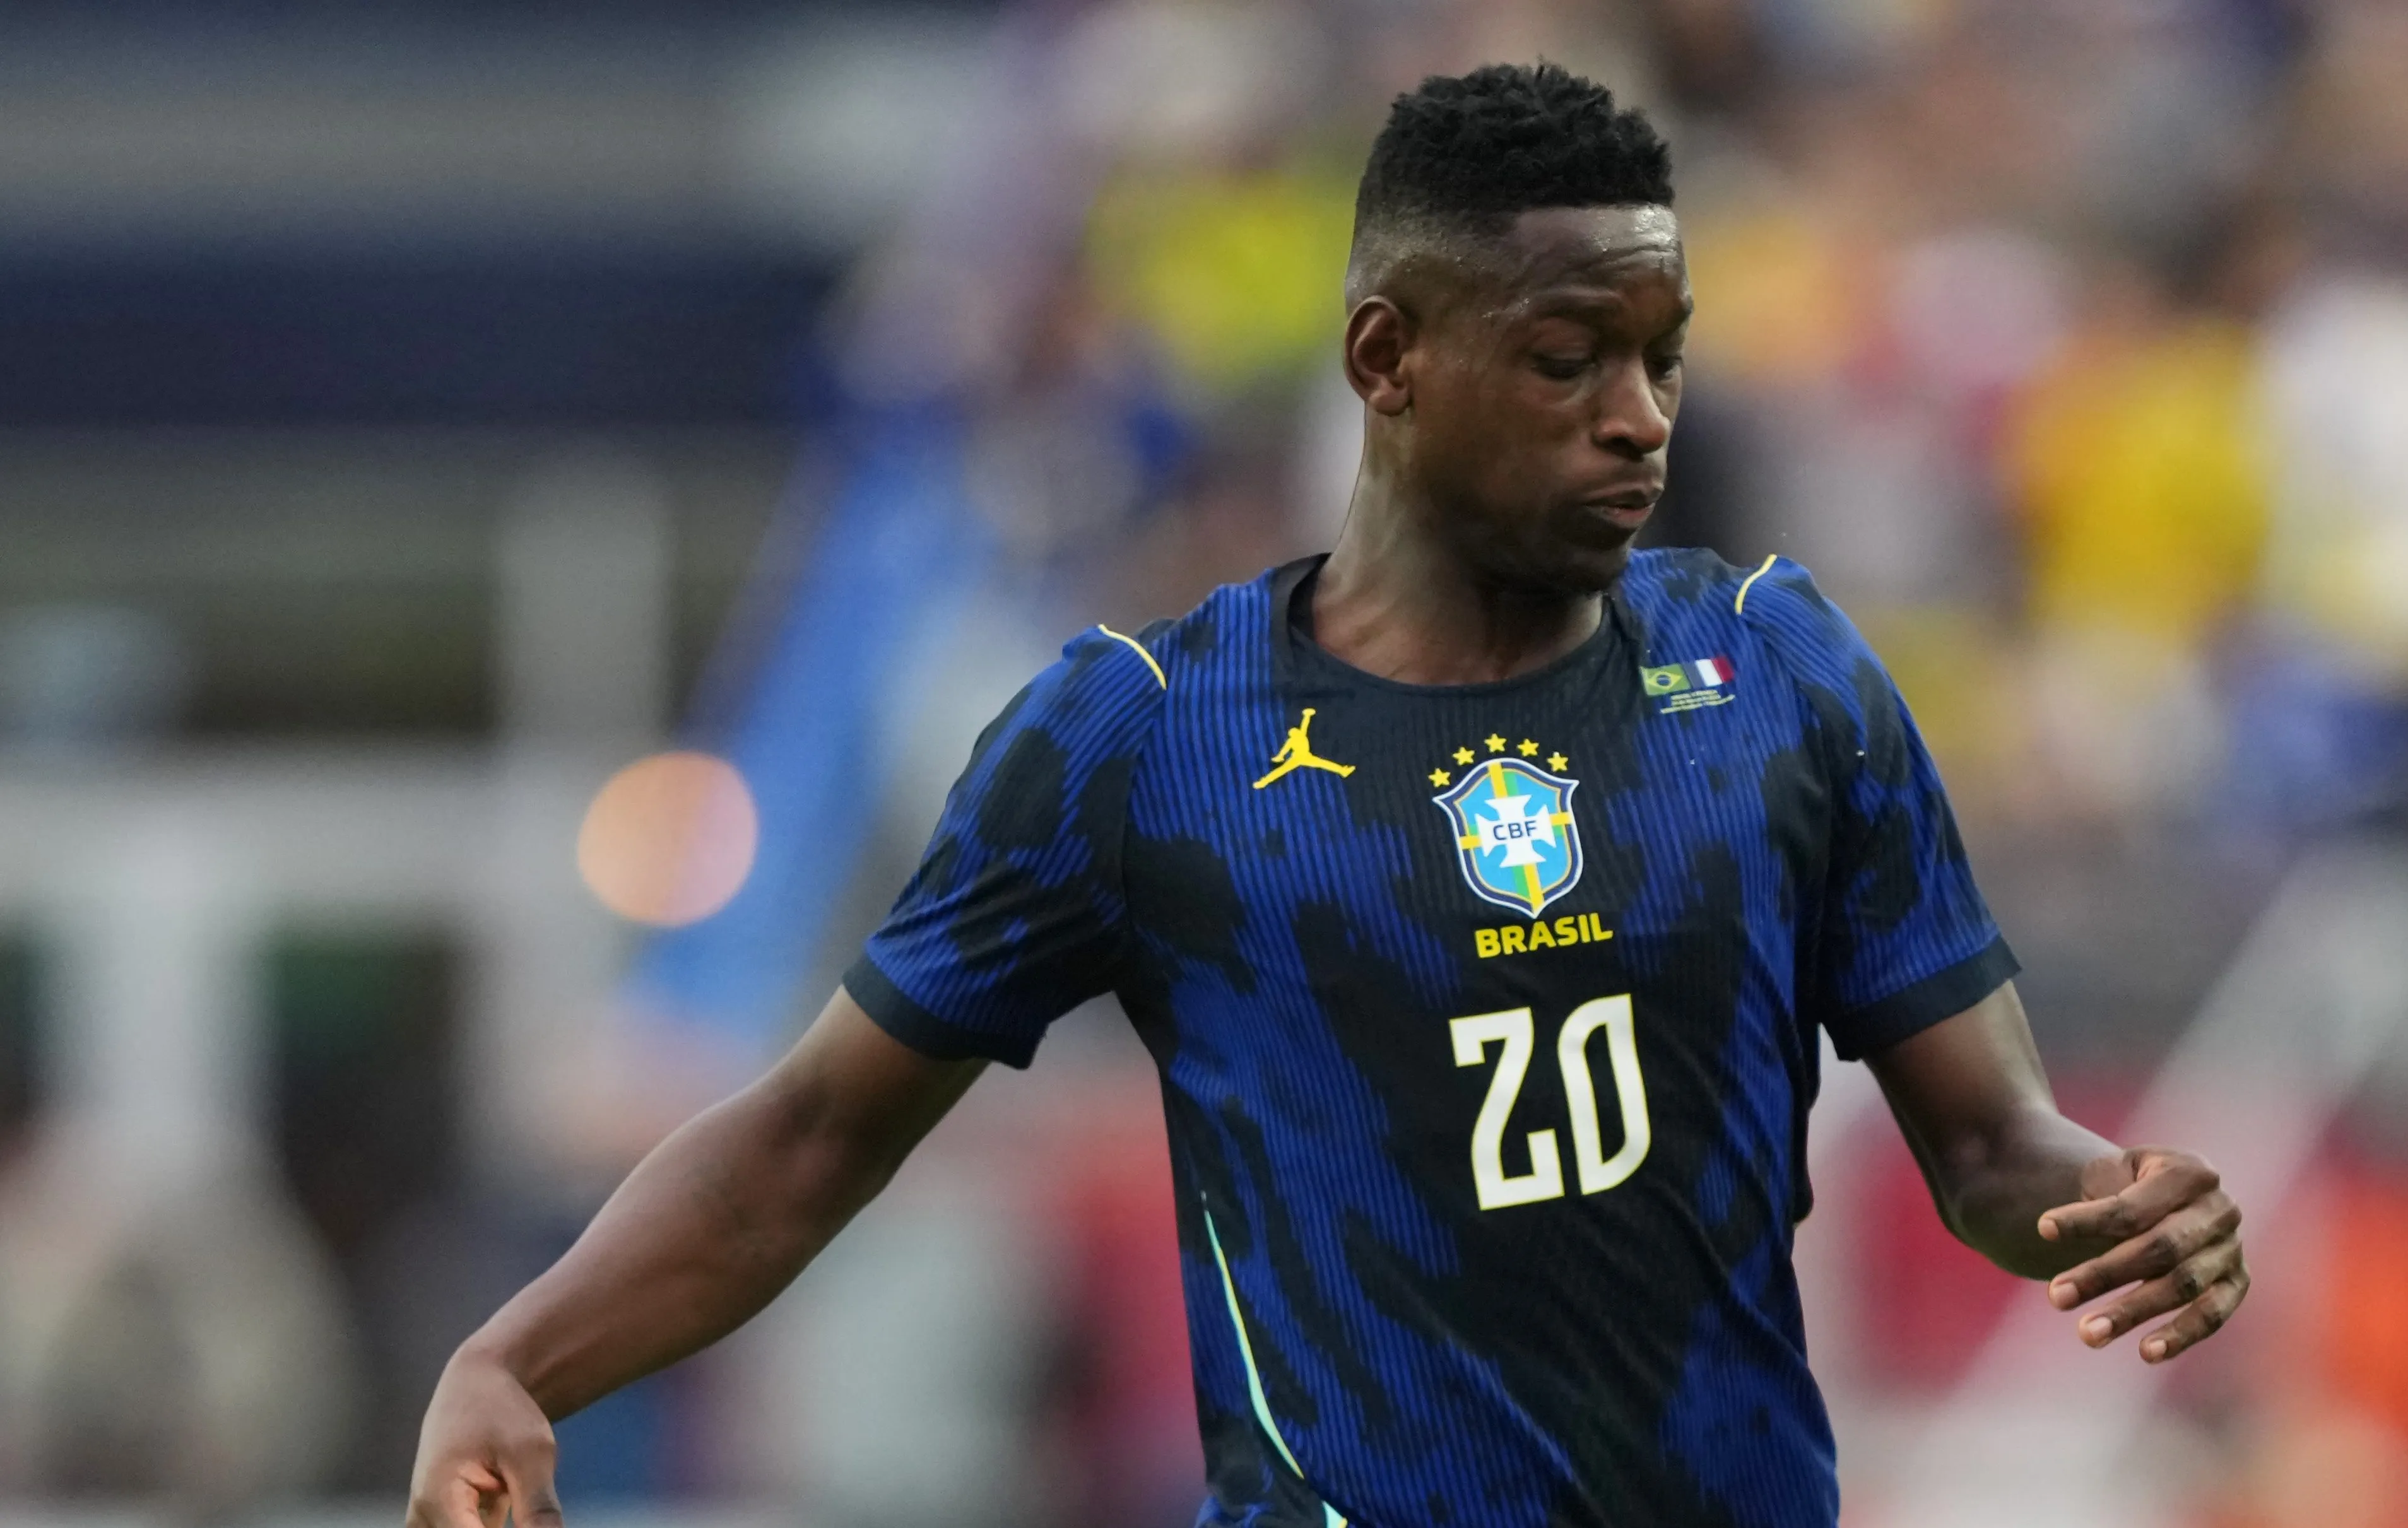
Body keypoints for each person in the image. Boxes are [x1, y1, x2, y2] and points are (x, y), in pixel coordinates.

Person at [406, 63, 2247, 1528]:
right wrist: (517, 1359)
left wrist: (2111, 1201)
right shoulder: (1143, 734)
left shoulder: (1777, 671)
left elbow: (1988, 1144)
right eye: (1562, 359)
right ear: (1385, 361)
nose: (1636, 416)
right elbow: (811, 1138)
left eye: (1659, 353)